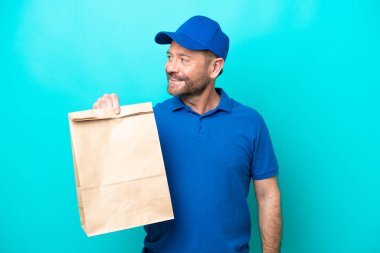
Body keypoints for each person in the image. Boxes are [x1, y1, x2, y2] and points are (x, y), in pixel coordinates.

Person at [93, 15, 282, 253]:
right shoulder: (151, 120)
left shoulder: (250, 123)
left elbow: (267, 196)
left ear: (215, 67)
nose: (170, 67)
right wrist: (105, 128)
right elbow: (115, 188)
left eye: (184, 59)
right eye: (170, 57)